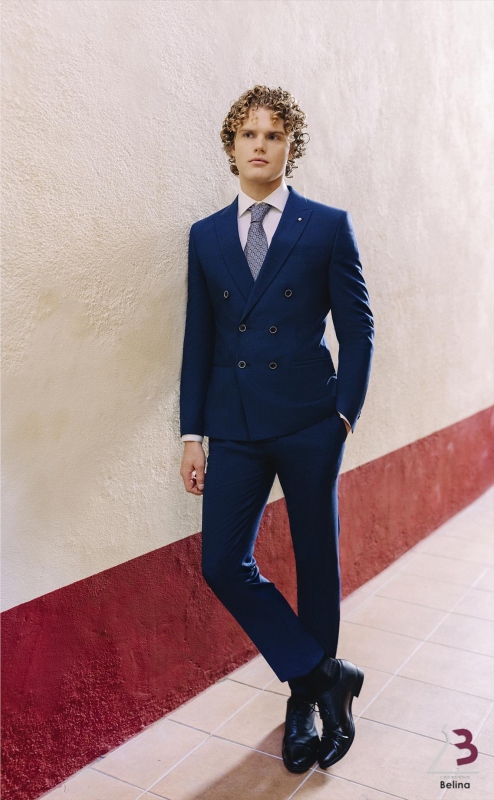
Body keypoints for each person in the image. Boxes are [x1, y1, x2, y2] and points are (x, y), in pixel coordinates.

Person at [179, 84, 374, 773]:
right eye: (249, 135)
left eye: (274, 135)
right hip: (234, 424)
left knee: (316, 560)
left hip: (309, 421)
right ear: (231, 147)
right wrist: (192, 433)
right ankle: (322, 677)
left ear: (292, 147)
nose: (260, 146)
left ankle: (304, 707)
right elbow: (199, 339)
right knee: (221, 563)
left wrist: (342, 416)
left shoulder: (326, 226)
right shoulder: (206, 235)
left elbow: (358, 329)